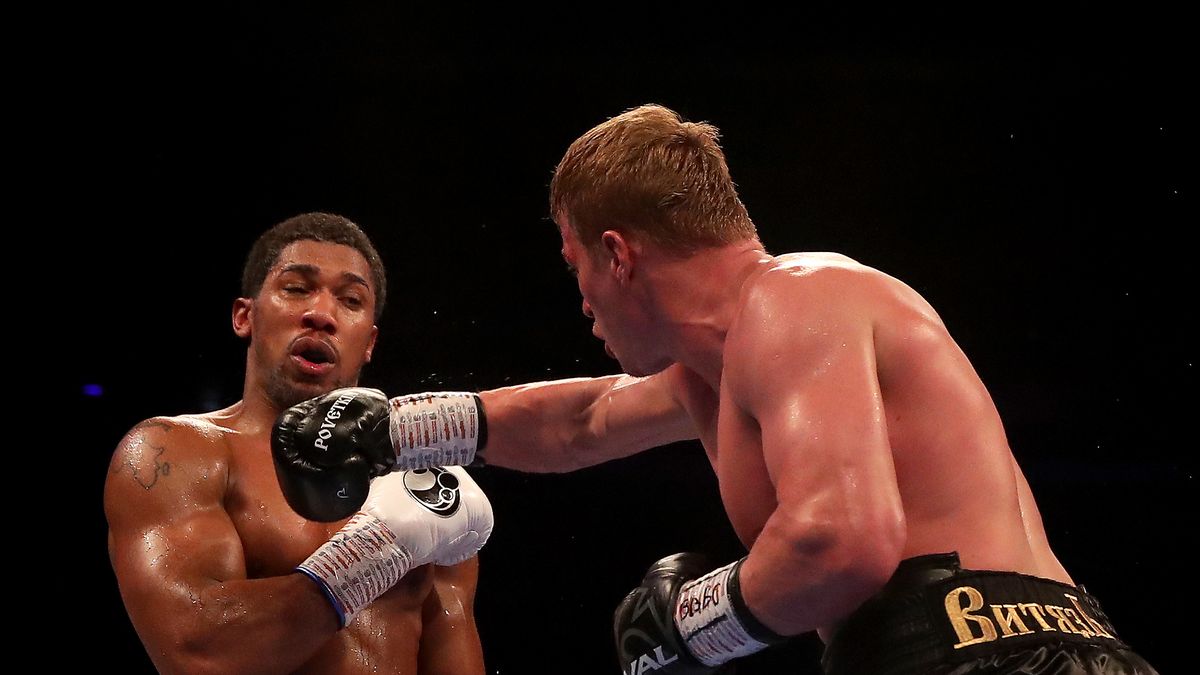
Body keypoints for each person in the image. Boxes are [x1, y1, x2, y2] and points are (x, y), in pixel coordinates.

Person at [274, 107, 1158, 674]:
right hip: (989, 646)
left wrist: (698, 620)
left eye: (577, 265)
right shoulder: (730, 365)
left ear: (620, 253)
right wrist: (398, 427)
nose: (580, 299)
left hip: (985, 651)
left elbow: (846, 539)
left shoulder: (796, 298)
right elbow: (581, 419)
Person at [104, 212, 494, 675]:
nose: (322, 315)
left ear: (369, 342)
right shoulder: (176, 454)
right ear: (244, 316)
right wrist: (378, 550)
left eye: (350, 300)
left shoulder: (421, 482)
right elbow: (198, 652)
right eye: (296, 288)